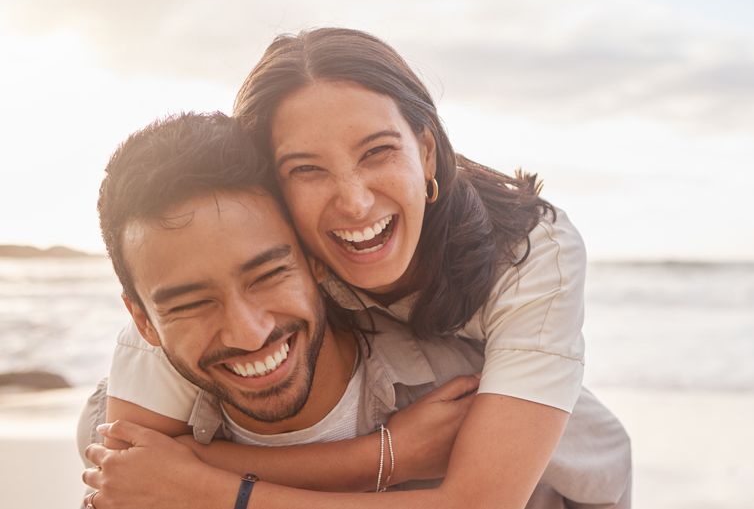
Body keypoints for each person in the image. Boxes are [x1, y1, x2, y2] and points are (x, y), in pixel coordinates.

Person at [82, 112, 630, 508]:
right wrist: (383, 457)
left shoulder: (464, 400)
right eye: (192, 303)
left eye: (269, 274)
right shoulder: (126, 434)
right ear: (142, 321)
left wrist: (222, 494)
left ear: (317, 260)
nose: (248, 332)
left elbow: (597, 471)